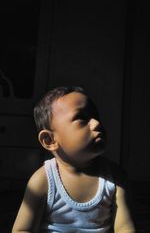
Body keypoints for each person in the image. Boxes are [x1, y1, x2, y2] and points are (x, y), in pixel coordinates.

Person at [12, 86, 136, 233]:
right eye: (81, 118)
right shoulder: (43, 180)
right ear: (49, 140)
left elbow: (125, 227)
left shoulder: (115, 177)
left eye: (96, 116)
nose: (96, 123)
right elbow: (22, 230)